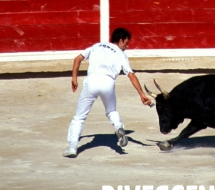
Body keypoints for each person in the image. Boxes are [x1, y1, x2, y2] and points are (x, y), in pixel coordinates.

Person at [64, 27, 151, 158]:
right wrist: (142, 94)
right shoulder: (121, 54)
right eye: (126, 43)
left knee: (79, 117)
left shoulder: (96, 46)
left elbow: (77, 59)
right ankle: (118, 127)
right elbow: (131, 75)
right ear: (120, 41)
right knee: (111, 111)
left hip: (92, 81)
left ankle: (72, 148)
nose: (127, 47)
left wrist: (74, 78)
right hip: (108, 83)